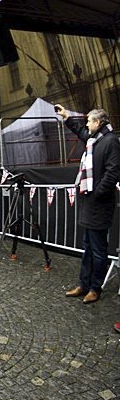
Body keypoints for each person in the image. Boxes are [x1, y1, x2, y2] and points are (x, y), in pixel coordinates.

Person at [56, 106, 119, 305]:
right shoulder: (95, 139)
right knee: (87, 248)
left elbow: (113, 172)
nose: (86, 125)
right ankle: (84, 284)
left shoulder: (110, 142)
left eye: (90, 121)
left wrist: (96, 194)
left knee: (98, 250)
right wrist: (66, 116)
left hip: (99, 204)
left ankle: (95, 288)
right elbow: (81, 132)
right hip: (90, 204)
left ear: (98, 123)